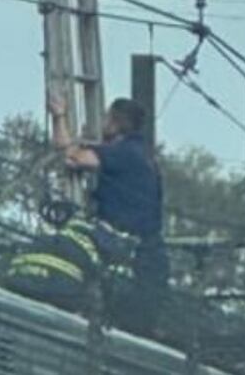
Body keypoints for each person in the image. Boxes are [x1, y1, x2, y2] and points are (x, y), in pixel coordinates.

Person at [47, 93, 169, 333]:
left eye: (105, 118)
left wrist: (59, 115)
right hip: (147, 259)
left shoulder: (124, 152)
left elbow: (72, 158)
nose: (101, 123)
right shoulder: (143, 156)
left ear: (116, 123)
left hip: (128, 253)